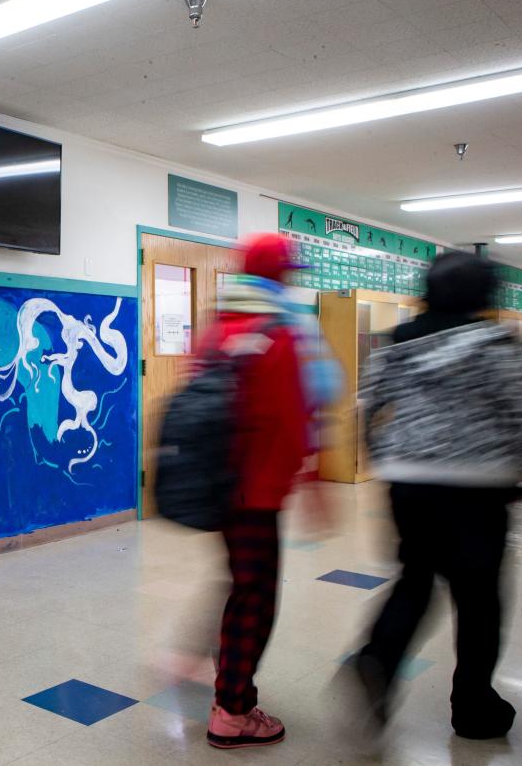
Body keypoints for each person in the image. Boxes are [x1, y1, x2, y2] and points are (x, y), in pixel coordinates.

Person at [354, 251, 522, 739]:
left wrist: (384, 456)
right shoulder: (495, 343)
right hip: (477, 488)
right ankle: (473, 705)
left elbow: (368, 404)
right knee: (479, 599)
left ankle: (377, 660)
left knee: (415, 579)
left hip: (409, 483)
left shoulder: (397, 341)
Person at [202, 233, 322, 749]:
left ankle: (229, 690)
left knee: (239, 589)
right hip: (257, 492)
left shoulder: (217, 327)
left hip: (218, 485)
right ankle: (232, 711)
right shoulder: (282, 332)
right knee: (255, 599)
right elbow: (293, 417)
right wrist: (310, 478)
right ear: (280, 275)